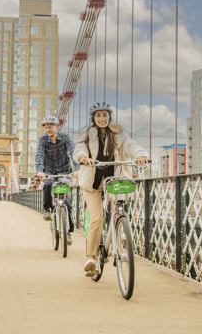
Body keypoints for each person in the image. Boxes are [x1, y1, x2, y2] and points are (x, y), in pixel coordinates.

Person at [72, 102, 148, 275]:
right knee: (97, 220)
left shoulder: (119, 134)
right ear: (93, 119)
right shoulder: (87, 135)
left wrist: (141, 154)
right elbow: (79, 149)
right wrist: (83, 158)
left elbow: (131, 145)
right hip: (93, 185)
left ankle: (121, 234)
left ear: (109, 117)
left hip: (114, 182)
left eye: (105, 115)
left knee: (119, 209)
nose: (102, 119)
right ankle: (91, 258)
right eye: (98, 116)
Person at [36, 115, 79, 245]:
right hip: (49, 170)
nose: (48, 130)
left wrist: (77, 168)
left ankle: (68, 233)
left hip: (64, 171)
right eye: (46, 127)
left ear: (56, 127)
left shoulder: (65, 137)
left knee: (66, 201)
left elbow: (73, 153)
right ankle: (47, 209)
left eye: (50, 127)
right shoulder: (43, 139)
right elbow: (40, 154)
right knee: (48, 184)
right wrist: (40, 170)